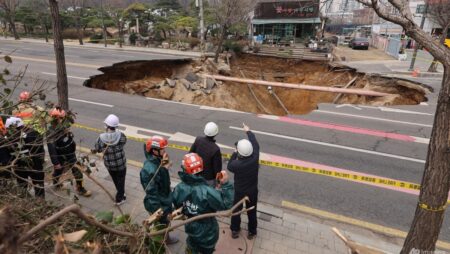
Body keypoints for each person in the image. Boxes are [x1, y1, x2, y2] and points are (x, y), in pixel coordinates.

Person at [172, 153, 234, 254]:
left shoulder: (179, 188)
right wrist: (226, 185)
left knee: (192, 246)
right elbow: (227, 204)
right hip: (208, 232)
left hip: (190, 226)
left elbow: (176, 205)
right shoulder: (207, 192)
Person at [140, 135, 178, 244]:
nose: (164, 151)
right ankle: (163, 241)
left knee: (164, 224)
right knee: (162, 224)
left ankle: (164, 237)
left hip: (165, 198)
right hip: (160, 204)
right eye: (162, 149)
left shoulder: (157, 161)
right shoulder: (149, 170)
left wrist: (165, 167)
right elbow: (152, 194)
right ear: (155, 151)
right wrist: (158, 211)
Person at [47, 108, 91, 197]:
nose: (64, 120)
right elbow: (51, 149)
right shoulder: (51, 133)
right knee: (58, 171)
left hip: (70, 154)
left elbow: (68, 138)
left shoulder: (64, 127)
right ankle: (56, 181)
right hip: (61, 155)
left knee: (77, 171)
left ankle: (80, 189)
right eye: (62, 118)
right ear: (56, 119)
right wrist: (56, 163)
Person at [228, 123, 259, 240]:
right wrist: (248, 131)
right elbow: (255, 143)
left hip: (240, 191)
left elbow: (230, 165)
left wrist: (234, 152)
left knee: (236, 210)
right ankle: (252, 231)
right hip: (252, 190)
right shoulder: (255, 157)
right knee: (252, 211)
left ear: (240, 152)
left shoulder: (236, 164)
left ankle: (235, 230)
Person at [5, 117, 45, 198]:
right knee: (23, 188)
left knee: (38, 186)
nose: (8, 132)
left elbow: (40, 150)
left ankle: (40, 201)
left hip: (34, 165)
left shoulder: (33, 134)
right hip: (20, 167)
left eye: (9, 129)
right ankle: (26, 202)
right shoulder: (7, 139)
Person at [92, 114, 127, 205]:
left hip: (109, 164)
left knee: (115, 178)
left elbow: (98, 148)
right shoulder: (121, 135)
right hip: (121, 163)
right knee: (121, 179)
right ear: (116, 126)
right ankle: (120, 198)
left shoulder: (101, 137)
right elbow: (124, 142)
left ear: (107, 125)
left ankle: (120, 192)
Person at [189, 122, 222, 186]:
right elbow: (217, 169)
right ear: (216, 133)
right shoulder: (216, 149)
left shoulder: (198, 140)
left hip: (196, 174)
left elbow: (190, 154)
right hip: (208, 179)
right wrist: (218, 181)